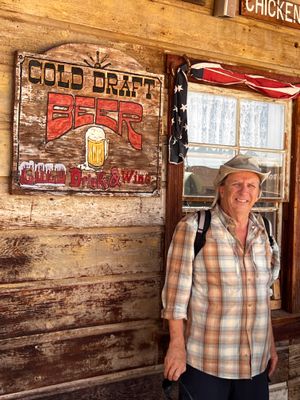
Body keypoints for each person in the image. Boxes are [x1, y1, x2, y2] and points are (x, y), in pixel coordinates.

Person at [161, 154, 280, 400]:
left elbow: (263, 294)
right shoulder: (194, 227)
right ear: (222, 188)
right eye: (237, 184)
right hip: (207, 363)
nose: (244, 191)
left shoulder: (264, 231)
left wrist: (270, 344)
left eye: (252, 185)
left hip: (255, 364)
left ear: (258, 193)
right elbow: (175, 296)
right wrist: (176, 346)